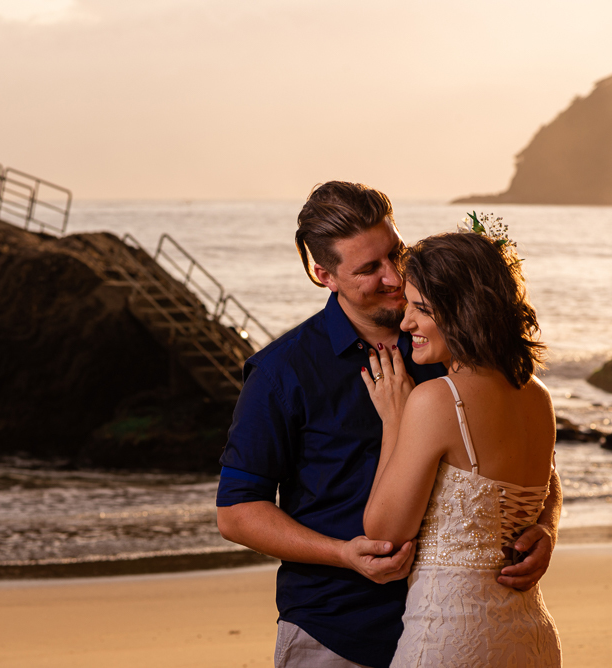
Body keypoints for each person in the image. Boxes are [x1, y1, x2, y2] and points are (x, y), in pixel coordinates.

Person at [215, 182, 561, 668]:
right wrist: (341, 553)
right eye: (368, 269)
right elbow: (236, 512)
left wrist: (544, 529)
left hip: (457, 624)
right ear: (323, 274)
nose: (395, 277)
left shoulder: (449, 344)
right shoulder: (282, 372)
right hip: (336, 629)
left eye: (395, 253)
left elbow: (535, 466)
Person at [361, 230, 562, 666]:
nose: (406, 322)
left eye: (422, 309)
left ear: (464, 313)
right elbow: (550, 482)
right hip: (530, 636)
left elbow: (383, 532)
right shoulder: (537, 395)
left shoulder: (437, 400)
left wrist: (394, 422)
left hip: (452, 634)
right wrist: (547, 526)